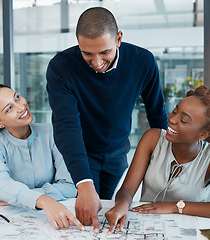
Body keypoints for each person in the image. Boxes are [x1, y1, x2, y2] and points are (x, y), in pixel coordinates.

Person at [46, 7, 168, 232]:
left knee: (104, 209)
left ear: (119, 38)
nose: (96, 62)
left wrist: (168, 156)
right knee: (86, 214)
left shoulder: (143, 61)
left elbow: (157, 113)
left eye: (104, 52)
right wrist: (83, 184)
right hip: (81, 152)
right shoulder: (60, 67)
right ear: (77, 41)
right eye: (87, 53)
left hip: (117, 152)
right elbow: (66, 125)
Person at [105, 85, 210, 235]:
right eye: (175, 111)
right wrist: (122, 204)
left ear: (203, 134)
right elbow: (127, 190)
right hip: (146, 226)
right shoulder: (152, 139)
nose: (172, 119)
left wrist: (176, 206)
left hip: (188, 232)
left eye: (183, 120)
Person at [0, 84, 84, 230]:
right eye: (9, 108)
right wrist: (43, 200)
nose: (21, 107)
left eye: (17, 98)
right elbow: (1, 183)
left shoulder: (51, 132)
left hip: (54, 215)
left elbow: (70, 187)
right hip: (16, 220)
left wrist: (15, 197)